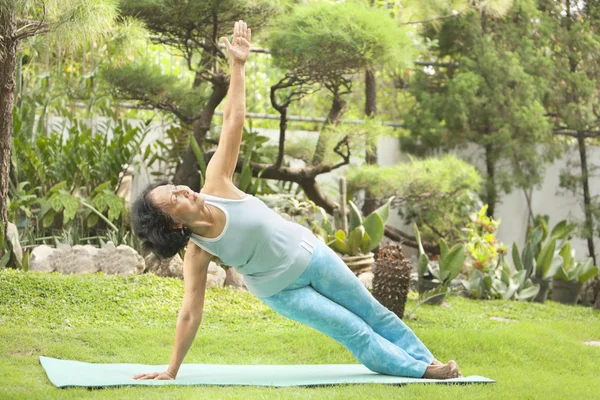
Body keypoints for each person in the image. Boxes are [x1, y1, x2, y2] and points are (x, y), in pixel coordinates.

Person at [130, 20, 462, 381]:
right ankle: (422, 371)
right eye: (173, 198)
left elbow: (233, 121)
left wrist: (238, 66)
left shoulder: (217, 183)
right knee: (353, 330)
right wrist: (172, 369)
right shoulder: (198, 251)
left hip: (312, 254)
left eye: (173, 185)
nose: (181, 188)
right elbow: (190, 312)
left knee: (373, 312)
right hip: (281, 290)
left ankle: (429, 363)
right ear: (174, 223)